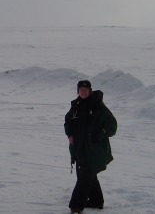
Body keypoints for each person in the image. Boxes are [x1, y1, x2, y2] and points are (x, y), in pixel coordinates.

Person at [64, 80, 117, 213]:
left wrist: (99, 135)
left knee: (84, 176)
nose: (83, 92)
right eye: (81, 90)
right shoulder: (76, 105)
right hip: (78, 148)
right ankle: (96, 201)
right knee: (88, 174)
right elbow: (68, 122)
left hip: (93, 149)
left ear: (90, 91)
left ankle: (76, 205)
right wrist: (70, 135)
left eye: (86, 90)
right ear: (78, 91)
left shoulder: (97, 105)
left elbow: (112, 125)